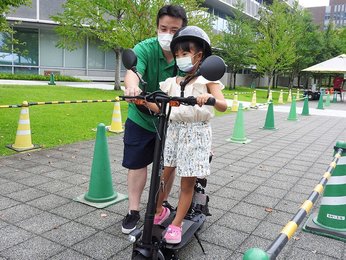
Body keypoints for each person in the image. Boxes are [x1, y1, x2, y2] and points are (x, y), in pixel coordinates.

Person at [152, 26, 227, 244]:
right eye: (177, 54)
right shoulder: (171, 82)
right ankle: (159, 210)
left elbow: (223, 105)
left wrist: (210, 99)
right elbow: (163, 108)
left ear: (199, 55)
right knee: (163, 176)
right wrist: (144, 100)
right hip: (174, 131)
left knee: (187, 182)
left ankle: (177, 224)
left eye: (185, 53)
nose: (180, 58)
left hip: (196, 133)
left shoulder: (207, 81)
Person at [121, 5, 188, 235]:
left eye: (174, 29)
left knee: (166, 167)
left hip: (170, 120)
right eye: (163, 28)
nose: (167, 34)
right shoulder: (146, 48)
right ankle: (133, 211)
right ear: (157, 27)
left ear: (182, 31)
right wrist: (132, 86)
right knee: (137, 164)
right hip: (141, 118)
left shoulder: (186, 55)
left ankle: (160, 205)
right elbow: (133, 70)